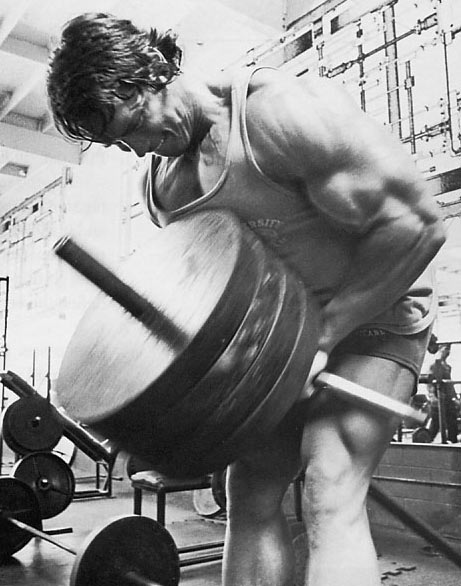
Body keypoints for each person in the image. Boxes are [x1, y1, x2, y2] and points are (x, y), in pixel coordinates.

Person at [46, 13, 445, 586]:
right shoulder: (163, 190)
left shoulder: (279, 116)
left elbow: (418, 227)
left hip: (377, 313)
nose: (135, 149)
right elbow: (205, 304)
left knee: (329, 484)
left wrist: (323, 336)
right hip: (281, 337)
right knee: (250, 491)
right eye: (117, 143)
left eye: (132, 125)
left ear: (152, 72)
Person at [427, 344, 459, 443]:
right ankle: (426, 440)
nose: (448, 352)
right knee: (436, 422)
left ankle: (453, 441)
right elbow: (430, 383)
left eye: (449, 349)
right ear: (440, 349)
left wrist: (455, 398)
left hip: (448, 399)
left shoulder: (447, 367)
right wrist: (432, 396)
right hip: (439, 398)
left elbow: (449, 385)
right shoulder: (435, 365)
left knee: (452, 421)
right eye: (446, 349)